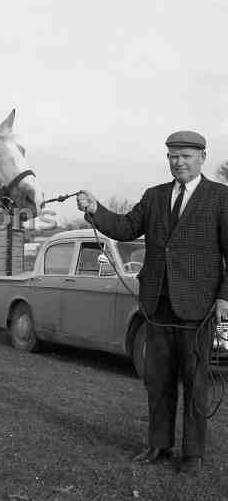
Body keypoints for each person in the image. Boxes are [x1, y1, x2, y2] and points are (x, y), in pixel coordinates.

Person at [77, 130, 228, 475]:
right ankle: (159, 444)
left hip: (198, 307)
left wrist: (224, 298)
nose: (179, 162)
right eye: (173, 156)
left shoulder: (221, 198)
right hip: (156, 305)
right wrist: (96, 209)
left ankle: (193, 453)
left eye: (187, 156)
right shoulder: (154, 196)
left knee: (195, 382)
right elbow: (126, 227)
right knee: (157, 380)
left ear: (202, 157)